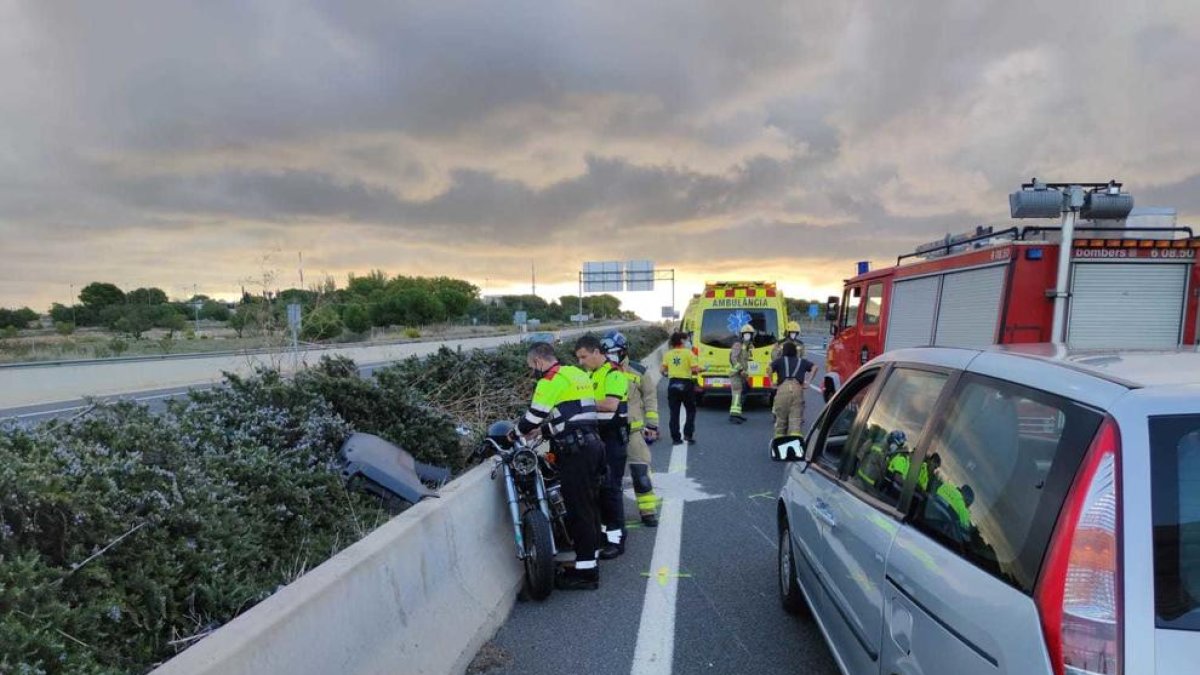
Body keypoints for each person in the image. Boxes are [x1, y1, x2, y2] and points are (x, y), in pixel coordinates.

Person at [517, 341, 605, 590]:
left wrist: (514, 434)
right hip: (593, 445)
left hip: (576, 451)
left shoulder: (550, 380)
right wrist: (544, 431)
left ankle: (587, 575)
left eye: (530, 367)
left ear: (537, 362)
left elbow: (533, 416)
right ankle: (589, 561)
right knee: (589, 508)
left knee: (578, 511)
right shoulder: (575, 373)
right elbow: (575, 415)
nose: (532, 372)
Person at [575, 334, 629, 560]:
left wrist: (578, 403)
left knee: (610, 489)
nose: (581, 362)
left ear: (597, 352)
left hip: (613, 438)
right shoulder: (590, 374)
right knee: (597, 490)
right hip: (596, 438)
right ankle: (605, 534)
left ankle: (617, 540)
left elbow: (610, 405)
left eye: (584, 356)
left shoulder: (614, 374)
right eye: (578, 358)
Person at [609, 332, 661, 527]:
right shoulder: (602, 371)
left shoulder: (638, 371)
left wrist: (652, 425)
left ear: (623, 351)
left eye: (614, 352)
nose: (610, 357)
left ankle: (648, 512)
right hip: (610, 433)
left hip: (633, 434)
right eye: (608, 353)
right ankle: (612, 518)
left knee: (641, 475)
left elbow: (650, 398)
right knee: (609, 479)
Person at [770, 341, 815, 438]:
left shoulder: (779, 361)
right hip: (797, 389)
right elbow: (815, 367)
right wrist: (808, 381)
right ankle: (795, 447)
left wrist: (771, 382)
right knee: (796, 421)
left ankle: (779, 445)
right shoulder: (801, 361)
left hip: (783, 389)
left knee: (781, 421)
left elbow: (768, 369)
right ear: (795, 351)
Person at [661, 332, 699, 444]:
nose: (688, 342)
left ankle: (676, 439)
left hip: (673, 384)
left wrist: (670, 373)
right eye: (687, 340)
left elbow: (662, 370)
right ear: (682, 341)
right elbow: (695, 369)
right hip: (686, 384)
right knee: (691, 410)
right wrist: (703, 369)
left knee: (674, 413)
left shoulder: (668, 354)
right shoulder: (689, 353)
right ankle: (688, 434)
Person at [728, 324, 755, 423]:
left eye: (749, 334)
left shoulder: (749, 347)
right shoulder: (738, 345)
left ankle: (738, 414)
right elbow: (733, 359)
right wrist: (740, 370)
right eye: (745, 334)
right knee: (736, 393)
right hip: (736, 374)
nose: (747, 336)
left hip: (743, 375)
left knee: (740, 394)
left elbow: (749, 360)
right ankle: (734, 415)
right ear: (742, 335)